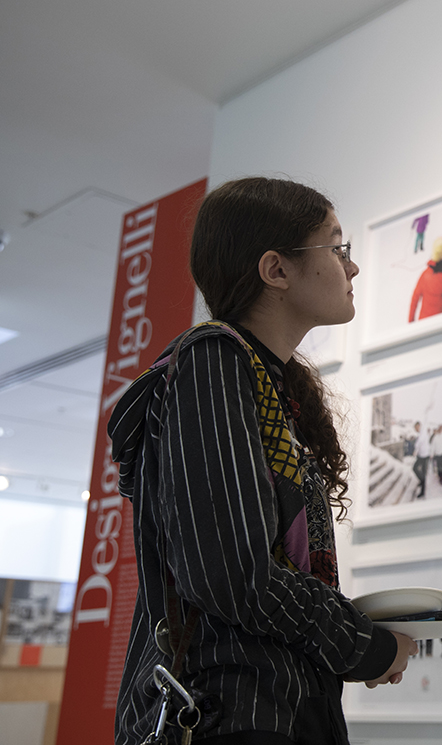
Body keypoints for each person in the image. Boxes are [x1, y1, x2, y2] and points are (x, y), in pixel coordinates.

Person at [107, 178, 417, 745]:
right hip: (230, 711)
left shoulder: (274, 388)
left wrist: (357, 641)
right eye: (337, 247)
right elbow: (230, 574)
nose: (352, 269)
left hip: (281, 707)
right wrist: (361, 644)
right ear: (276, 270)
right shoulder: (211, 361)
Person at [408, 236, 442, 321]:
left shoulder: (426, 275)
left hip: (424, 320)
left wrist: (411, 321)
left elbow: (415, 299)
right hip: (440, 321)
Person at [413, 421, 431, 498]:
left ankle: (422, 492)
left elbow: (419, 442)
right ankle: (421, 481)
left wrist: (415, 450)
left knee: (416, 469)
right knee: (417, 470)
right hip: (422, 454)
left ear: (418, 426)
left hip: (424, 455)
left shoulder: (423, 432)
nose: (415, 430)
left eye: (416, 428)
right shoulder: (421, 432)